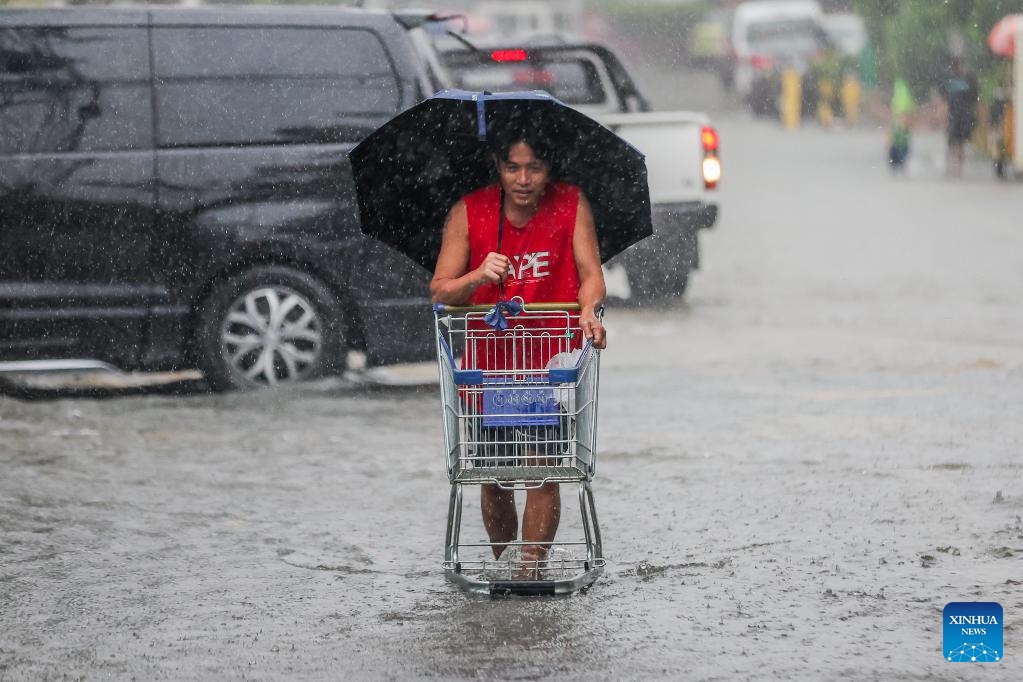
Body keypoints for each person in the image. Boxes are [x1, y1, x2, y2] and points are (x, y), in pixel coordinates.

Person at [430, 124, 607, 578]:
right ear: (498, 167)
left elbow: (591, 273)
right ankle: (503, 567)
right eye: (513, 167)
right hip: (488, 373)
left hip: (550, 369)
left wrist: (589, 310)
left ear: (549, 171)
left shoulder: (570, 204)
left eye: (534, 168)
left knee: (543, 470)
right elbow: (440, 292)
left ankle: (529, 572)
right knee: (492, 477)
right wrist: (476, 277)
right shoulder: (470, 213)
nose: (523, 180)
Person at [940, 57, 978, 177]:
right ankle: (950, 166)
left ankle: (958, 167)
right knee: (951, 141)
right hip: (954, 115)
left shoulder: (969, 78)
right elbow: (945, 98)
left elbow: (975, 96)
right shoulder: (950, 79)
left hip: (964, 115)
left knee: (960, 142)